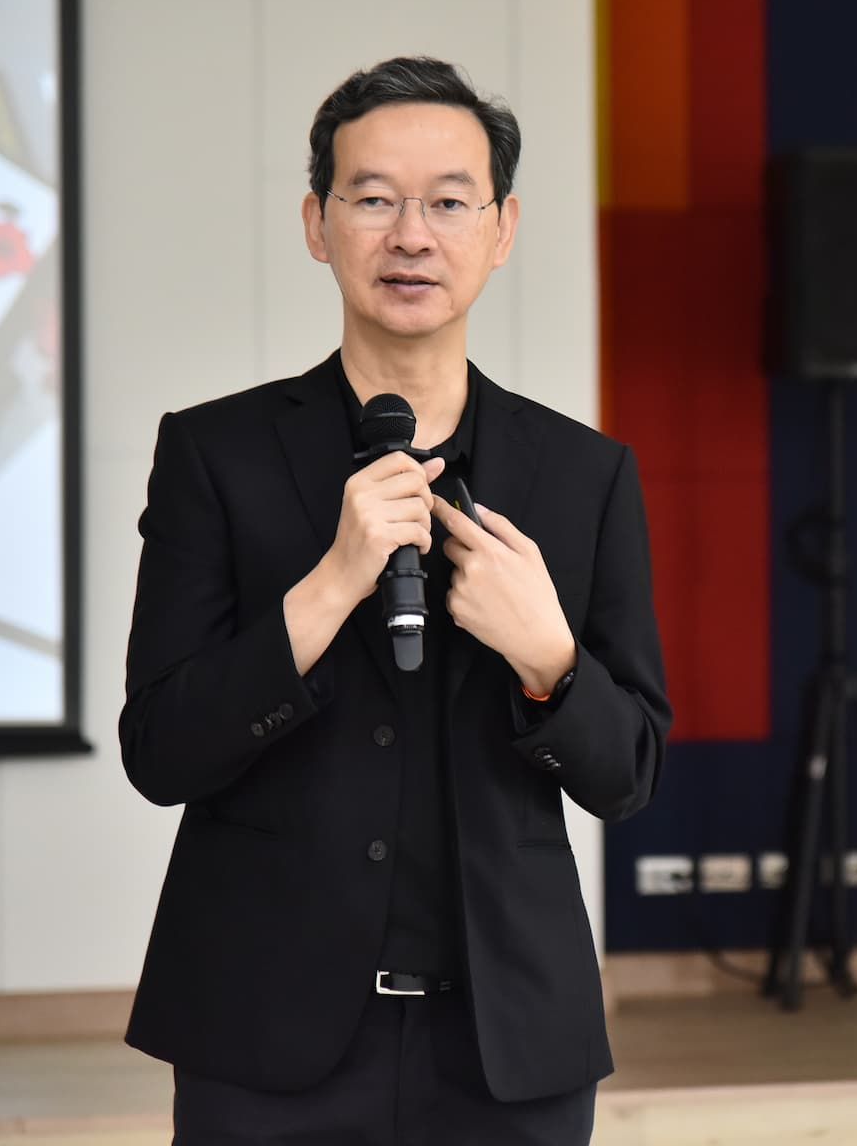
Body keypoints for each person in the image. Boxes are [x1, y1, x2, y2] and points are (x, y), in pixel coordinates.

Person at [118, 57, 671, 1144]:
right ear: (317, 224)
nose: (411, 235)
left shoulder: (585, 475)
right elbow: (160, 753)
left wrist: (550, 660)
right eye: (373, 199)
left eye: (449, 203)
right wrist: (329, 586)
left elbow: (629, 776)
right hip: (264, 1036)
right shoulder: (215, 454)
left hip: (509, 1051)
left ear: (503, 229)